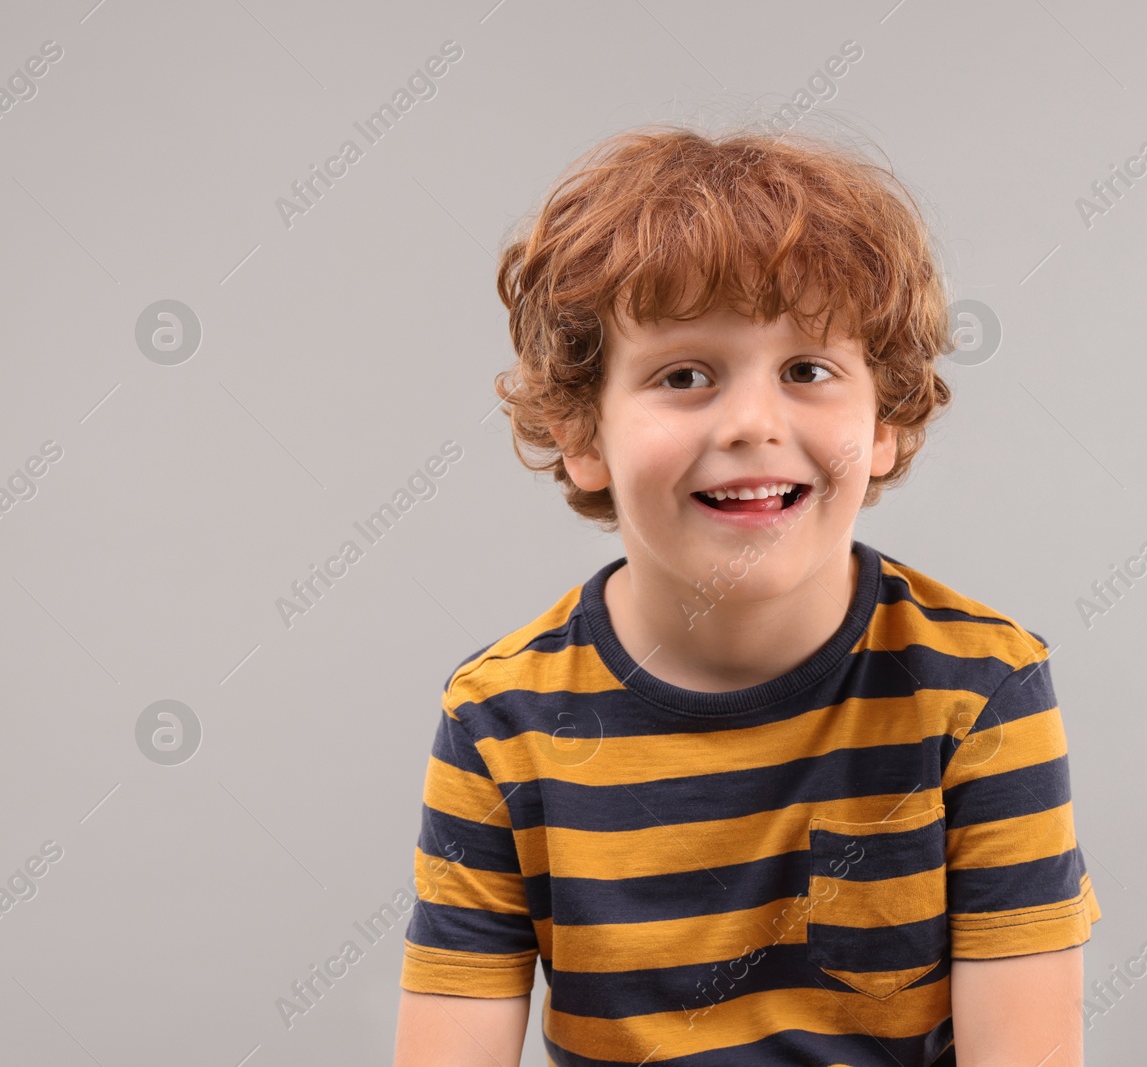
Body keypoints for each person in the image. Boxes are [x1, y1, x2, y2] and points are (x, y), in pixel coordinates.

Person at [392, 122, 1101, 1067]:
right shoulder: (501, 721)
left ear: (883, 417)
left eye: (808, 369)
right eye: (683, 374)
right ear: (582, 432)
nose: (753, 423)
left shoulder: (981, 691)